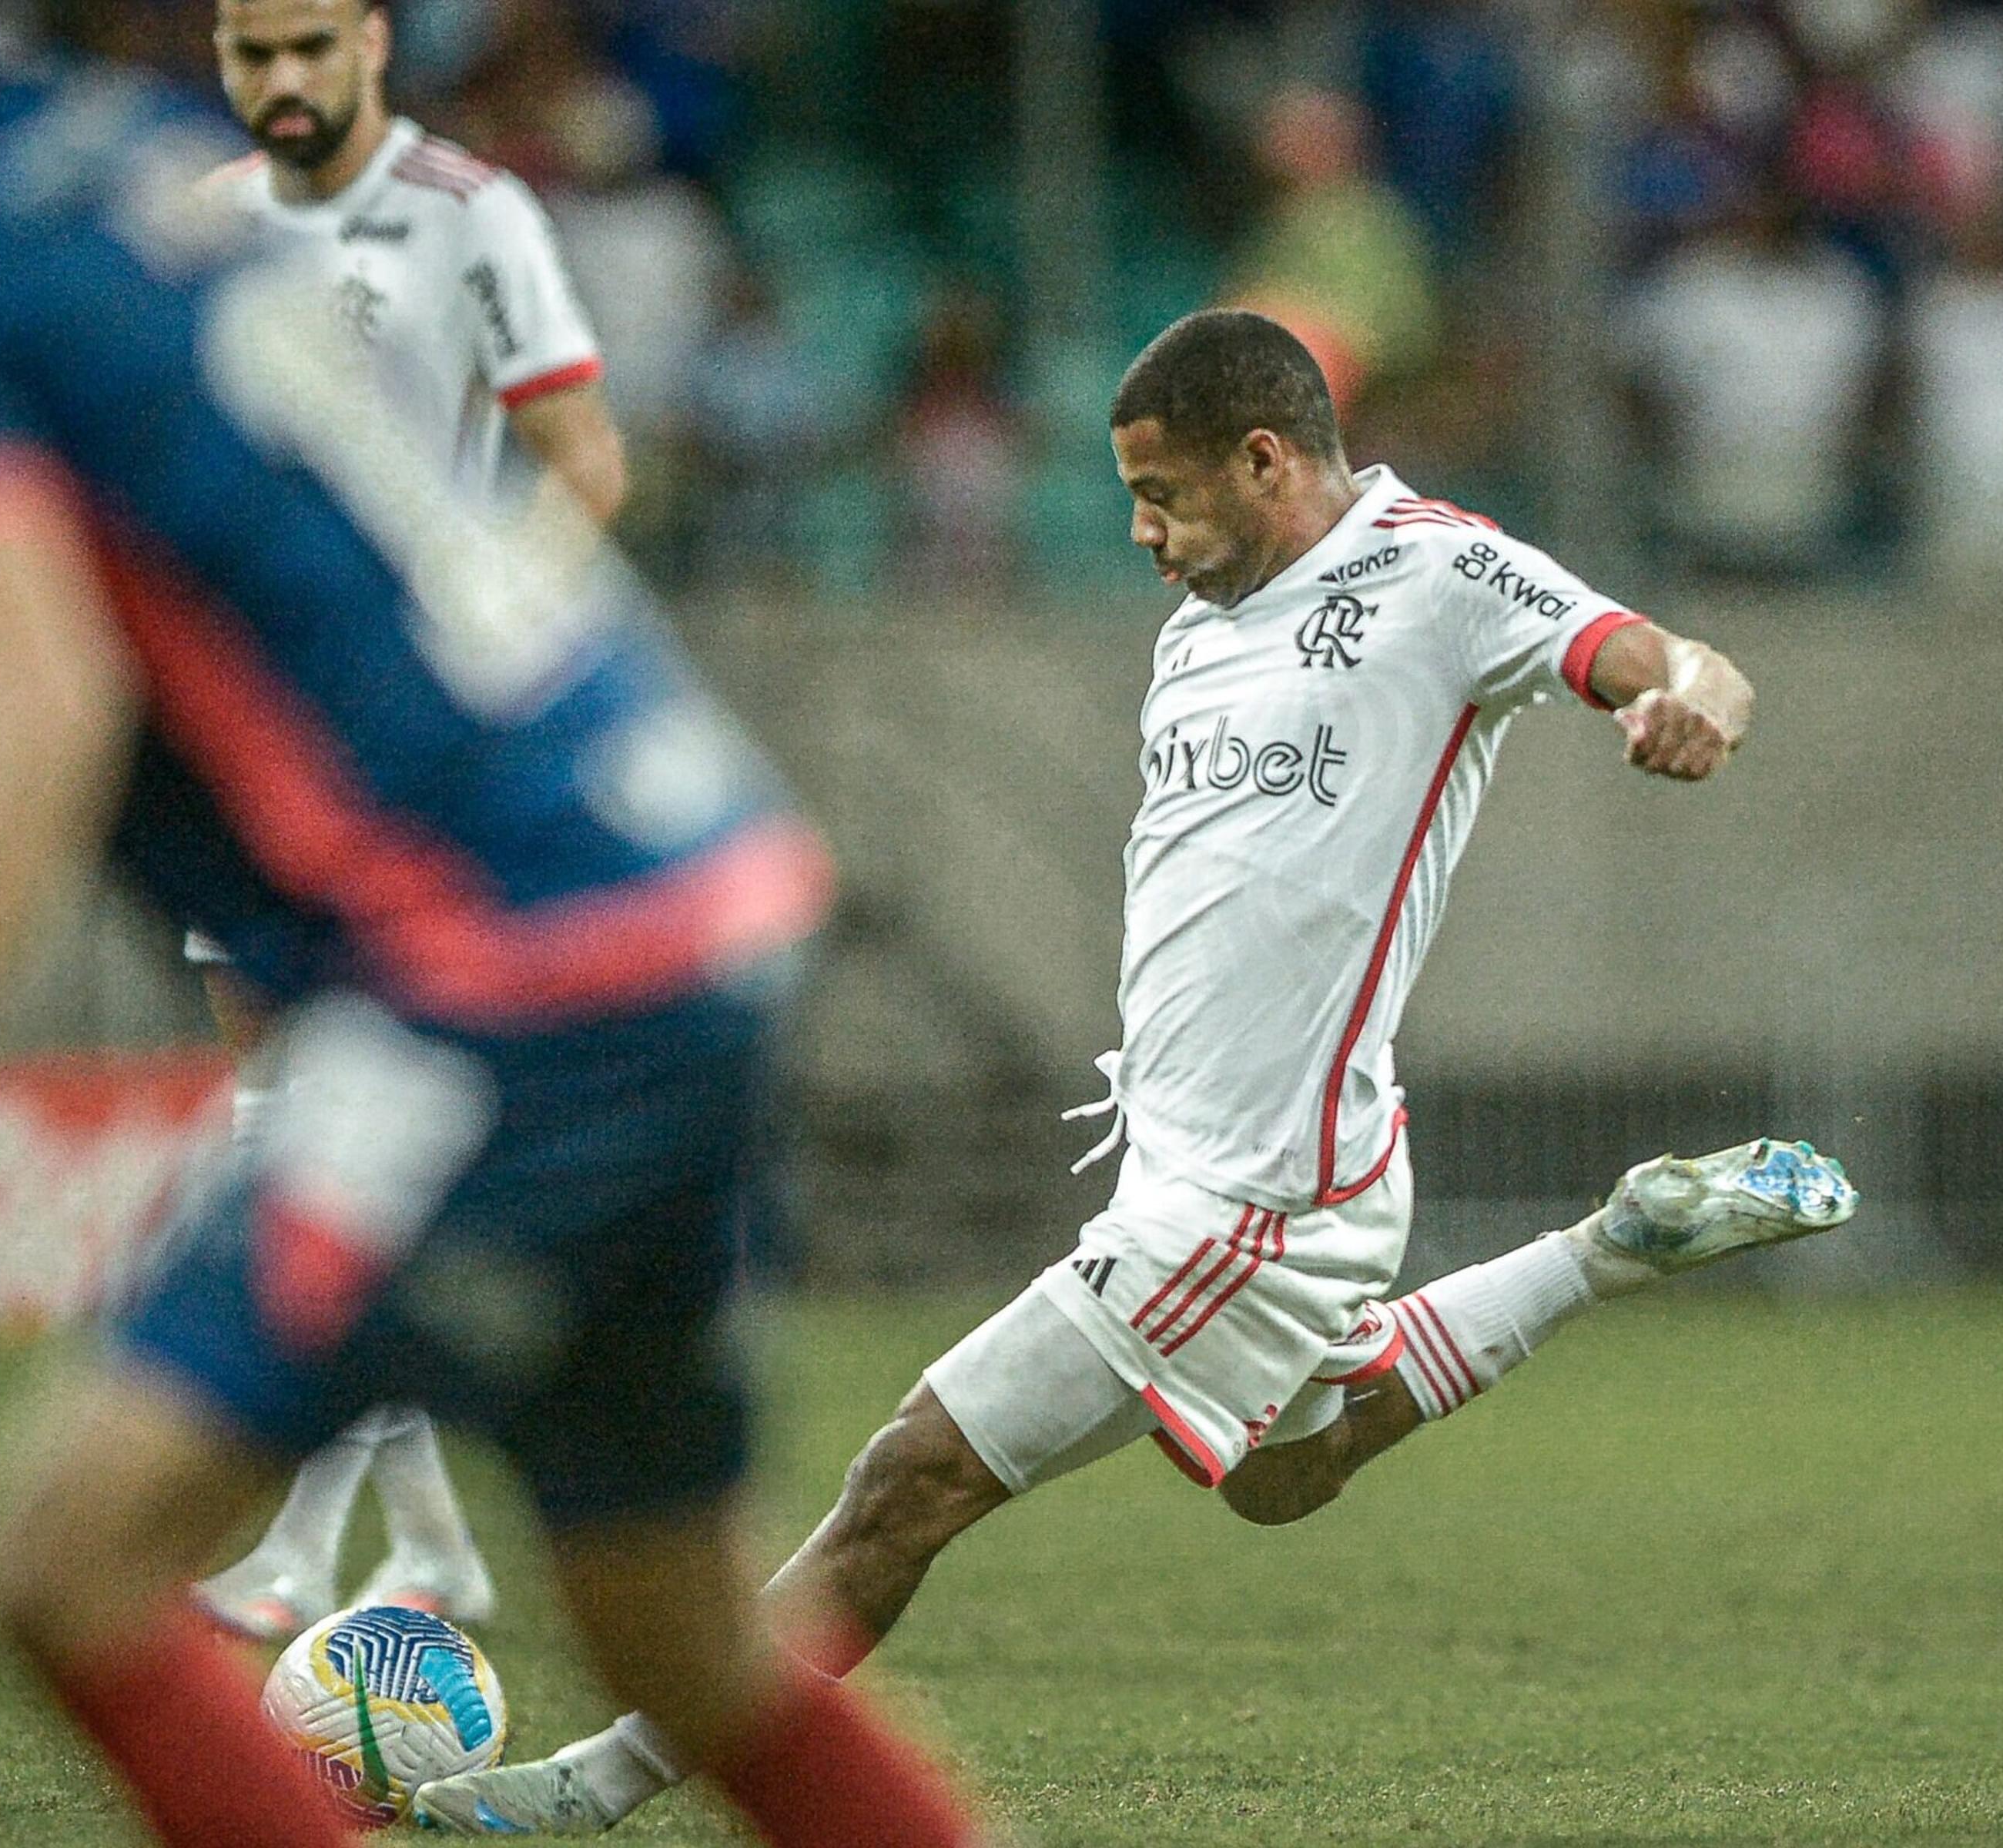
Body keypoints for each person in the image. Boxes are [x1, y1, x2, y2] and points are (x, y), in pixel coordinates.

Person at [0, 2, 986, 1844]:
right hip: (688, 879)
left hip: (508, 965)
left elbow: (28, 694)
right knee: (676, 1628)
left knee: (72, 1555)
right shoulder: (79, 137)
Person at [413, 308, 1855, 1835]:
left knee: (910, 1480)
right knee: (1279, 1479)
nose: (1142, 531)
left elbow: (1672, 653)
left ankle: (588, 1793)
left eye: (1161, 494)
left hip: (1248, 1194)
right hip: (1237, 1156)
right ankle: (1603, 1249)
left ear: (1267, 457)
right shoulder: (1196, 623)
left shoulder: (1438, 571)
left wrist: (1689, 694)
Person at [189, 0, 635, 1643]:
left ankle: (316, 1548)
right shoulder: (197, 229)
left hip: (411, 752)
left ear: (374, 41)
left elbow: (585, 463)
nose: (284, 82)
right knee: (300, 1121)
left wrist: (480, 644)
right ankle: (416, 1547)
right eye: (253, 55)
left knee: (323, 1125)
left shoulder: (470, 217)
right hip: (259, 749)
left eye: (312, 46)